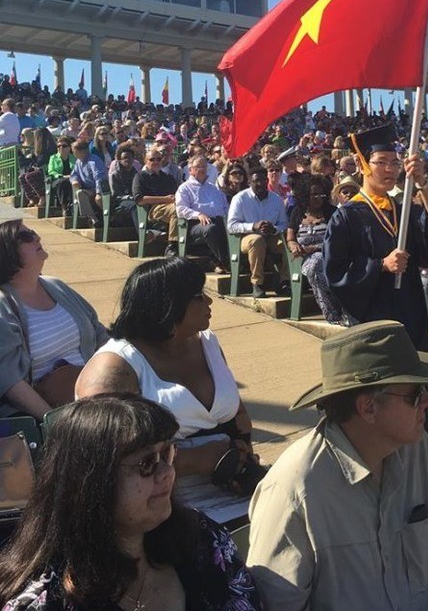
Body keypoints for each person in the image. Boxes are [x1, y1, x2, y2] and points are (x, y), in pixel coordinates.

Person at [247, 320, 428, 610]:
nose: (427, 402)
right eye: (415, 393)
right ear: (368, 408)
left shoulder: (416, 447)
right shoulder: (294, 489)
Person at [0, 395, 263, 609]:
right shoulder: (47, 601)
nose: (168, 473)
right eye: (146, 463)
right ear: (93, 482)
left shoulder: (204, 540)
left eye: (168, 453)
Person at [76, 257, 262, 525]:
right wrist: (196, 460)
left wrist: (243, 459)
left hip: (229, 489)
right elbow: (107, 464)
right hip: (158, 507)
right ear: (168, 307)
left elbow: (239, 413)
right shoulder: (115, 368)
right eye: (199, 296)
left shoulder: (207, 343)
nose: (209, 302)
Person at [323, 124, 428, 367]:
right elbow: (335, 273)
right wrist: (380, 265)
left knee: (414, 387)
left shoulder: (402, 211)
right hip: (373, 316)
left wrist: (422, 182)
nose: (390, 169)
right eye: (381, 162)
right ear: (363, 165)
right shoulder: (346, 217)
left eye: (395, 163)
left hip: (410, 309)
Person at [0, 220, 108, 419]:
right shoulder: (3, 307)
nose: (37, 238)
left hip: (96, 393)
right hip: (53, 411)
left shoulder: (56, 285)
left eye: (33, 232)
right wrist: (53, 421)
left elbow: (99, 333)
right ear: (6, 252)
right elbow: (10, 380)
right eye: (26, 237)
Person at [286, 174, 344, 324]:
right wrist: (294, 246)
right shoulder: (297, 213)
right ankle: (332, 312)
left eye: (321, 194)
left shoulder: (331, 212)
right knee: (314, 267)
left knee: (319, 266)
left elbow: (339, 240)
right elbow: (290, 238)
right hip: (305, 258)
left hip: (331, 255)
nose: (319, 197)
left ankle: (337, 310)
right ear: (305, 195)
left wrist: (316, 247)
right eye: (314, 194)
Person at [227, 167, 289, 299]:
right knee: (257, 241)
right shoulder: (240, 198)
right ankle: (257, 283)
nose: (260, 184)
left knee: (287, 243)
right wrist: (253, 226)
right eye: (256, 181)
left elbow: (284, 224)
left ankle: (284, 281)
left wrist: (274, 229)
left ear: (267, 180)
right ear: (249, 182)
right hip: (246, 238)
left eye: (262, 180)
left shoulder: (276, 199)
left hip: (271, 236)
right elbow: (231, 226)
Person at [176, 155, 229, 272]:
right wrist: (198, 214)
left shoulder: (214, 188)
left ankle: (220, 260)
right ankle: (226, 262)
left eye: (204, 166)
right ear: (190, 170)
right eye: (198, 167)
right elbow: (181, 209)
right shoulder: (184, 188)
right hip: (195, 224)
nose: (202, 169)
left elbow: (225, 206)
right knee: (211, 229)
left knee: (229, 227)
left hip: (219, 220)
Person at [132, 147, 179, 258]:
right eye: (152, 159)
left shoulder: (168, 178)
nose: (156, 162)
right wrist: (165, 199)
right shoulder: (140, 177)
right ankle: (172, 246)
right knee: (176, 210)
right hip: (153, 210)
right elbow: (140, 199)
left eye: (158, 159)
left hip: (171, 205)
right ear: (145, 161)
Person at [70, 139, 107, 226]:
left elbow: (100, 177)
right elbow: (74, 174)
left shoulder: (94, 160)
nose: (73, 153)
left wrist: (98, 193)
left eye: (74, 151)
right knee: (80, 193)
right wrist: (75, 180)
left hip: (99, 190)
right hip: (88, 190)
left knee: (80, 193)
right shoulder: (78, 162)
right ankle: (93, 219)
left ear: (81, 151)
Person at [47, 136, 75, 216]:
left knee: (70, 183)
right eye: (59, 146)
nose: (61, 148)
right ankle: (64, 207)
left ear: (69, 147)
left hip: (71, 179)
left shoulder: (74, 158)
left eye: (64, 146)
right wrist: (61, 176)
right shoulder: (53, 158)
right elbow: (51, 171)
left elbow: (77, 169)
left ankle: (72, 206)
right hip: (57, 181)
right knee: (62, 182)